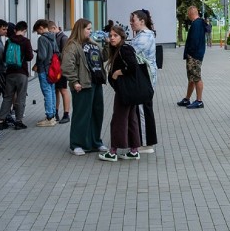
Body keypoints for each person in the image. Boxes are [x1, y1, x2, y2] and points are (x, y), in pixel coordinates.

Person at [100, 25, 149, 162]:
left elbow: (132, 66)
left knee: (118, 120)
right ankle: (134, 150)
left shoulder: (124, 49)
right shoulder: (118, 49)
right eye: (110, 36)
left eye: (115, 36)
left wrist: (117, 73)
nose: (112, 38)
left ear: (121, 37)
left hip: (126, 91)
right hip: (129, 92)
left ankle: (113, 151)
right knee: (131, 119)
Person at [61, 18, 106, 156]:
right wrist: (74, 81)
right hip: (82, 84)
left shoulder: (93, 43)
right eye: (88, 28)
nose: (90, 31)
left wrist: (109, 44)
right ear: (80, 29)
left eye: (91, 29)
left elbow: (103, 57)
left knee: (97, 113)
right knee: (82, 115)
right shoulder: (72, 45)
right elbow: (67, 65)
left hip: (96, 82)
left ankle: (95, 142)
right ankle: (77, 144)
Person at [129, 9, 158, 153]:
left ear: (142, 21)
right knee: (142, 108)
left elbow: (130, 52)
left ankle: (146, 144)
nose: (131, 23)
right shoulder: (143, 34)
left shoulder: (144, 37)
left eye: (133, 20)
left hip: (144, 76)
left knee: (142, 109)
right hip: (144, 76)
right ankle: (142, 141)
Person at [0, 21, 33, 130]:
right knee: (20, 97)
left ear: (15, 30)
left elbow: (4, 58)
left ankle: (0, 120)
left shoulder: (9, 41)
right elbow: (29, 57)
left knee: (7, 97)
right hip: (22, 73)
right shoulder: (26, 41)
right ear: (25, 30)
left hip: (10, 73)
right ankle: (18, 121)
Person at [32, 19, 59, 127]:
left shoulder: (42, 39)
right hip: (52, 69)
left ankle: (49, 117)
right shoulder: (53, 37)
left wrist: (38, 54)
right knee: (51, 91)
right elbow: (56, 52)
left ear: (41, 27)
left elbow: (42, 56)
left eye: (38, 31)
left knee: (47, 92)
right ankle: (52, 116)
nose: (38, 33)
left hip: (44, 69)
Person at [179, 6, 206, 109]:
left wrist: (190, 53)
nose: (187, 15)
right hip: (195, 55)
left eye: (187, 13)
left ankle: (199, 101)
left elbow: (194, 41)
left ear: (191, 13)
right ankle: (187, 99)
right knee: (192, 78)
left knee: (196, 78)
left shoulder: (196, 24)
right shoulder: (199, 23)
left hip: (194, 56)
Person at [49, 21, 71, 124]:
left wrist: (55, 56)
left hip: (61, 69)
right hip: (55, 69)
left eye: (50, 31)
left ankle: (66, 114)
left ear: (54, 28)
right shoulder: (55, 37)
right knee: (56, 90)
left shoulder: (63, 38)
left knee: (63, 90)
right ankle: (56, 112)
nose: (49, 33)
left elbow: (66, 54)